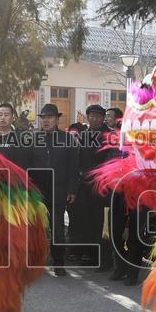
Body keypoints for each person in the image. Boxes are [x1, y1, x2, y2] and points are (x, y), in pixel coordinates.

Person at [28, 103, 80, 276]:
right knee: (37, 227)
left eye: (49, 117)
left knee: (57, 227)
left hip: (59, 190)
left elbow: (74, 167)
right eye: (43, 118)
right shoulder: (34, 139)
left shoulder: (68, 139)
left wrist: (72, 190)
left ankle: (59, 262)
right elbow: (28, 165)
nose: (46, 121)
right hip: (38, 191)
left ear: (57, 119)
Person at [70, 104, 113, 266]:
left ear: (103, 118)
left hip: (102, 186)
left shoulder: (110, 135)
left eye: (98, 116)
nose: (94, 119)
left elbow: (111, 160)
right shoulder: (84, 134)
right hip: (84, 185)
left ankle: (102, 258)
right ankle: (87, 253)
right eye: (91, 116)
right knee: (84, 220)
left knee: (101, 222)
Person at [0, 102, 28, 168]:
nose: (3, 118)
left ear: (12, 118)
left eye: (6, 115)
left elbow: (22, 162)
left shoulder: (20, 139)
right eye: (0, 115)